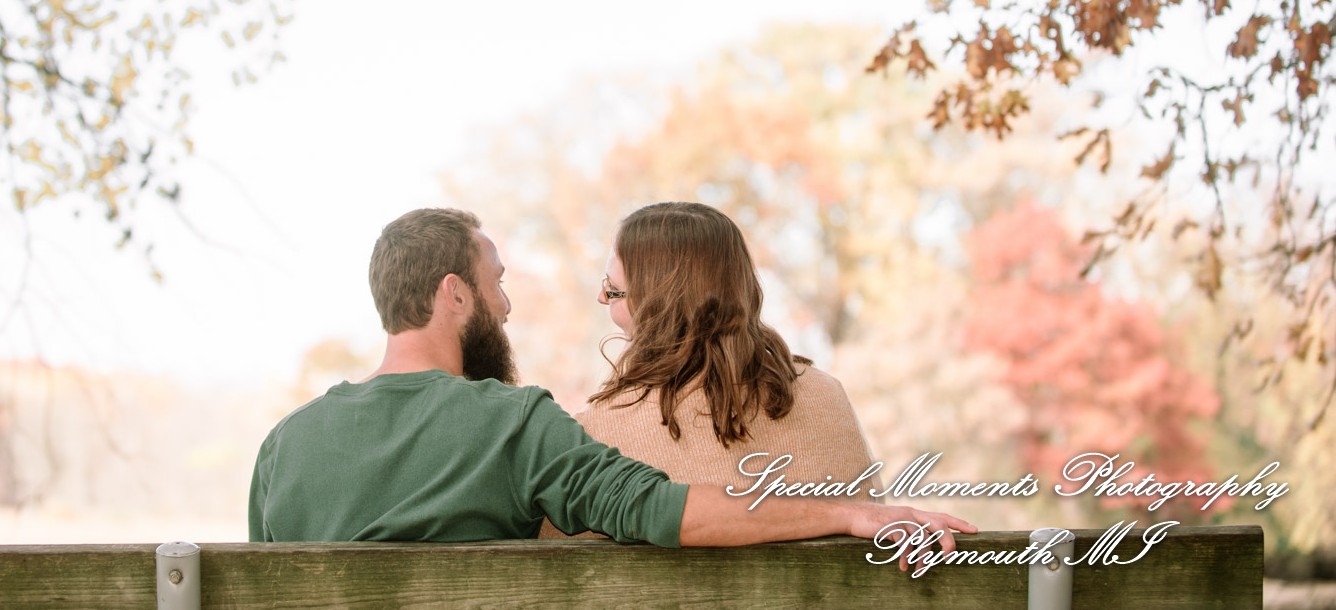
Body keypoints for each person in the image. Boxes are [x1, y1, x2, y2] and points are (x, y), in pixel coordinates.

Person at [248, 207, 971, 556]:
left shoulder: (282, 448)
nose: (507, 306)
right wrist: (846, 511)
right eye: (497, 284)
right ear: (455, 294)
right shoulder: (515, 426)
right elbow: (658, 507)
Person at [542, 201, 883, 539]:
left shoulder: (595, 435)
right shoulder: (827, 394)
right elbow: (875, 512)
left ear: (654, 305)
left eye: (613, 290)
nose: (601, 298)